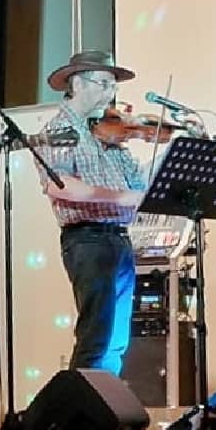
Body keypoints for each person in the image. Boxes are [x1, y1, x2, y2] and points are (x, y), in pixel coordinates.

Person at [36, 50, 146, 376]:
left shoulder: (104, 135)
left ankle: (104, 414)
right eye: (104, 83)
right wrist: (122, 197)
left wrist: (169, 152)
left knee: (117, 341)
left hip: (119, 239)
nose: (111, 93)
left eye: (113, 85)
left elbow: (140, 184)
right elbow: (59, 185)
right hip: (87, 240)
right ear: (79, 83)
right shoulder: (59, 129)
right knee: (95, 337)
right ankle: (80, 416)